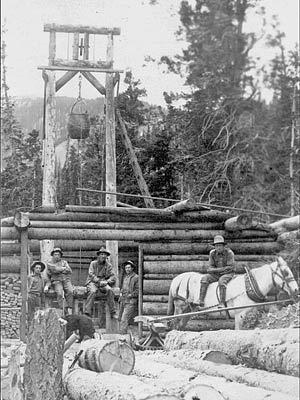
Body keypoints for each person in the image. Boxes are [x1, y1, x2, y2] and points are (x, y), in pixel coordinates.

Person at [199, 235, 235, 308]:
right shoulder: (212, 253)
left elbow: (230, 268)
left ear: (223, 246)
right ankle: (201, 301)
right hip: (216, 274)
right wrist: (219, 270)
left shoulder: (229, 253)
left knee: (222, 281)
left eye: (220, 245)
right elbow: (210, 268)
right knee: (204, 278)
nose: (218, 247)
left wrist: (215, 270)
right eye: (217, 246)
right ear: (214, 246)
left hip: (228, 274)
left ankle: (222, 303)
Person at [84, 247, 118, 319]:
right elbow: (91, 274)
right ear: (98, 256)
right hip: (93, 282)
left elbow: (113, 277)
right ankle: (87, 312)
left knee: (109, 290)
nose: (103, 256)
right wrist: (99, 281)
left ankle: (113, 312)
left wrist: (107, 281)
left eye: (104, 254)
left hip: (103, 283)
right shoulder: (93, 263)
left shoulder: (108, 265)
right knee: (92, 291)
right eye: (101, 254)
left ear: (106, 256)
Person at [44, 247, 74, 316]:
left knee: (70, 291)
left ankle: (70, 308)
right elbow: (52, 270)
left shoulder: (64, 262)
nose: (57, 256)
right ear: (53, 255)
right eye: (55, 254)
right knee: (60, 293)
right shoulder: (49, 263)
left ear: (60, 255)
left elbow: (69, 271)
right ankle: (65, 310)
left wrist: (57, 269)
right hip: (56, 281)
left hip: (66, 280)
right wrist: (63, 269)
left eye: (58, 254)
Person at [118, 260, 139, 334]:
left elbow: (138, 290)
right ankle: (122, 333)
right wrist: (121, 293)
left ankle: (122, 335)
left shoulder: (136, 277)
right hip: (123, 300)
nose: (127, 269)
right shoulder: (125, 277)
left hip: (130, 301)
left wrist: (130, 295)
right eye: (126, 268)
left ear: (132, 268)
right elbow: (123, 288)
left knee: (124, 318)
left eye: (129, 267)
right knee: (120, 318)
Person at [27, 261, 47, 325]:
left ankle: (36, 328)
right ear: (33, 269)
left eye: (39, 268)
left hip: (39, 297)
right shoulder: (30, 277)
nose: (38, 269)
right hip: (31, 296)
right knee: (31, 312)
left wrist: (46, 286)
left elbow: (49, 282)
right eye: (36, 268)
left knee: (38, 312)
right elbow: (25, 287)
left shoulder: (42, 278)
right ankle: (30, 327)